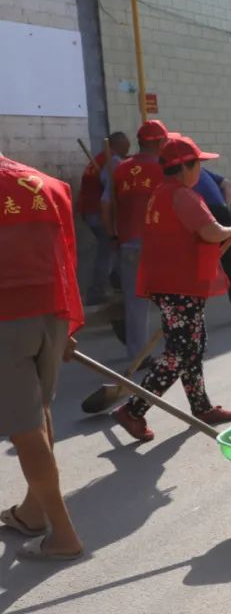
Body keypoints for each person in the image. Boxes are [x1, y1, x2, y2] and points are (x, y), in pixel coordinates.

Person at [111, 135, 231, 442]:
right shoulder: (184, 196)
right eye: (198, 164)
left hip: (170, 283)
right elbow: (210, 232)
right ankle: (133, 409)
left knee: (192, 345)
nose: (200, 171)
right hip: (179, 286)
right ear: (185, 167)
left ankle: (200, 405)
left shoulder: (161, 193)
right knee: (181, 352)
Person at [0, 152, 84, 560]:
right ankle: (33, 513)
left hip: (5, 321)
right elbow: (67, 257)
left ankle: (62, 535)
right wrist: (69, 325)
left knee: (25, 428)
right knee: (40, 410)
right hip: (51, 310)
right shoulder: (45, 185)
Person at [105, 120, 169, 365]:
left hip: (129, 244)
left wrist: (113, 235)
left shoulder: (120, 169)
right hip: (158, 245)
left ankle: (138, 356)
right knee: (173, 297)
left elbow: (106, 205)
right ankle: (179, 346)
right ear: (157, 143)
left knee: (135, 304)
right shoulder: (164, 169)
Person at [194, 166, 231, 322]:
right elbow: (227, 183)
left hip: (203, 213)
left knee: (202, 267)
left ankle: (193, 318)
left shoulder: (176, 170)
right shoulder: (200, 168)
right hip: (220, 211)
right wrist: (225, 208)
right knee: (230, 266)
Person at [78, 131, 130, 304]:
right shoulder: (112, 161)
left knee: (112, 250)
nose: (128, 149)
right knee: (108, 250)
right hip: (99, 213)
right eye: (126, 145)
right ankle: (96, 291)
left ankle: (118, 284)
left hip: (88, 211)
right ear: (119, 145)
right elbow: (109, 194)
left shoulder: (99, 159)